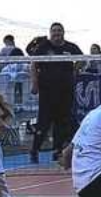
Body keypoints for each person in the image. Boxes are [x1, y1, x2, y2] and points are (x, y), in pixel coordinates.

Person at [30, 23, 83, 163]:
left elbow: (83, 59)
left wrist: (75, 70)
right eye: (54, 31)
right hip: (47, 90)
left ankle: (58, 151)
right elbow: (33, 64)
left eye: (59, 31)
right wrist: (35, 83)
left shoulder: (71, 47)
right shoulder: (43, 46)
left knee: (62, 121)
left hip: (65, 90)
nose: (56, 33)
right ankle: (34, 150)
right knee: (43, 122)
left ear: (63, 32)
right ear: (50, 32)